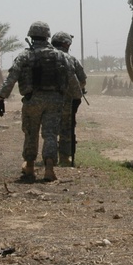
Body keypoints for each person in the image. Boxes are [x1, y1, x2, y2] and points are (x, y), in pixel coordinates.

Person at [0, 21, 80, 182]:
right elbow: (72, 79)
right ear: (47, 36)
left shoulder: (25, 55)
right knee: (50, 134)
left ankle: (29, 166)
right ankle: (49, 169)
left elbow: (11, 77)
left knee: (31, 133)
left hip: (32, 100)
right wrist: (77, 97)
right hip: (55, 101)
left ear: (31, 36)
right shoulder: (61, 56)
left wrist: (1, 98)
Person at [51, 31, 86, 167]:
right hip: (66, 101)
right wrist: (76, 93)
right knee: (66, 128)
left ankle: (49, 157)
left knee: (49, 129)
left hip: (46, 100)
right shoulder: (71, 59)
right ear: (66, 44)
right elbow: (82, 80)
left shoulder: (44, 57)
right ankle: (64, 158)